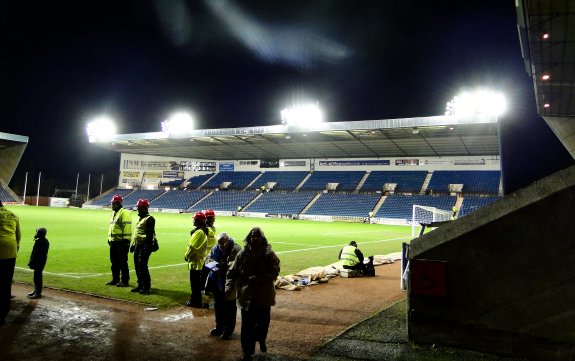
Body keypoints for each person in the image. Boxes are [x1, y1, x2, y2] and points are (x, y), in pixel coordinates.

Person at [225, 227, 280, 361]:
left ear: (262, 239)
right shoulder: (242, 253)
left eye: (258, 237)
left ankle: (261, 339)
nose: (255, 239)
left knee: (263, 324)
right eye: (253, 237)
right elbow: (232, 272)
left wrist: (259, 278)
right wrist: (228, 287)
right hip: (246, 296)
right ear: (249, 238)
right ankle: (247, 353)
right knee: (246, 327)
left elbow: (275, 273)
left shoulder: (269, 254)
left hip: (263, 297)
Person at [207, 232, 241, 340]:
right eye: (219, 244)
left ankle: (228, 331)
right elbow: (208, 258)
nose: (221, 246)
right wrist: (212, 264)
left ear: (228, 240)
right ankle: (219, 327)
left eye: (223, 244)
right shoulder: (216, 248)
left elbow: (238, 264)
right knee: (218, 306)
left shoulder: (236, 249)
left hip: (230, 283)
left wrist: (225, 265)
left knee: (230, 308)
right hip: (217, 281)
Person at [0, 199, 21, 325]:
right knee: (5, 283)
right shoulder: (13, 215)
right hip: (10, 251)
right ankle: (2, 313)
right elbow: (18, 237)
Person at [130, 199, 155, 295]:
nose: (138, 210)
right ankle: (140, 285)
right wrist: (133, 244)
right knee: (137, 266)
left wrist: (146, 248)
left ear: (144, 208)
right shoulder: (140, 219)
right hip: (138, 245)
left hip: (144, 246)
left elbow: (149, 235)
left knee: (143, 266)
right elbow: (137, 233)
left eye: (139, 208)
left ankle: (147, 287)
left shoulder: (150, 219)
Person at [107, 194, 132, 287]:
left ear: (117, 203)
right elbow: (112, 227)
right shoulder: (114, 213)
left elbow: (127, 226)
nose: (111, 205)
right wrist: (109, 239)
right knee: (114, 262)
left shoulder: (124, 212)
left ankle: (125, 281)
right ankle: (115, 279)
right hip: (114, 242)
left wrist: (126, 240)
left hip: (122, 242)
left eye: (113, 203)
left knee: (122, 262)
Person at [184, 211, 209, 308]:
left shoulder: (199, 232)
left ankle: (195, 302)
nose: (193, 220)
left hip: (196, 262)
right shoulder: (202, 231)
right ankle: (195, 301)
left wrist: (187, 255)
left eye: (194, 219)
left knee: (195, 284)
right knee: (196, 284)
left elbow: (192, 247)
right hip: (198, 261)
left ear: (198, 221)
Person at [200, 209, 217, 307]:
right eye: (212, 218)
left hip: (210, 255)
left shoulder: (210, 228)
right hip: (206, 256)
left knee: (210, 272)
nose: (214, 220)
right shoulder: (204, 229)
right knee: (206, 273)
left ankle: (207, 290)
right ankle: (204, 291)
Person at [27, 227, 50, 299]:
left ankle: (38, 293)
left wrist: (32, 262)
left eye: (37, 232)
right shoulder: (43, 241)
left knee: (38, 277)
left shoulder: (41, 242)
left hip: (39, 261)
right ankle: (36, 291)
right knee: (36, 276)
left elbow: (36, 254)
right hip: (40, 261)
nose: (36, 234)